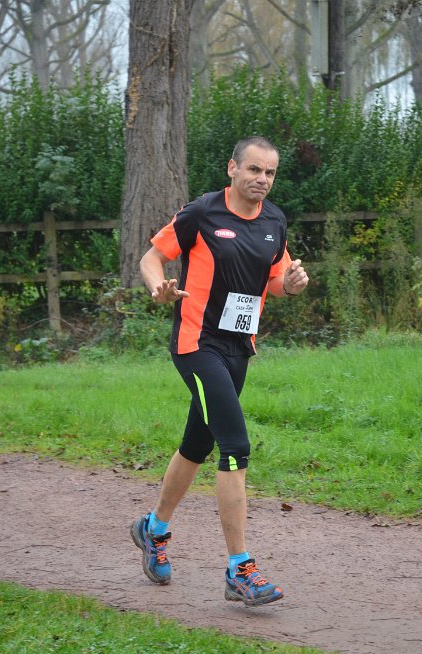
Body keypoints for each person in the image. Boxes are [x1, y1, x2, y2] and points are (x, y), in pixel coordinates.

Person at [131, 136, 308, 607]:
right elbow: (152, 257)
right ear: (232, 168)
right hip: (197, 344)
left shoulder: (274, 221)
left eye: (269, 173)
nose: (262, 179)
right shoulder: (202, 213)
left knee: (197, 443)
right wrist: (158, 288)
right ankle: (239, 569)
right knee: (235, 446)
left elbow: (275, 278)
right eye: (253, 169)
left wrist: (292, 284)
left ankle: (153, 528)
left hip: (239, 347)